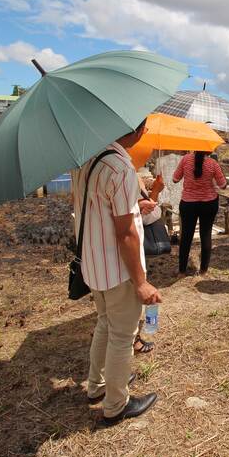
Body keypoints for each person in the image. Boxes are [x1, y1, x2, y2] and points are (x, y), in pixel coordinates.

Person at [71, 118, 161, 426]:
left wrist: (136, 204)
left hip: (94, 263)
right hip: (118, 268)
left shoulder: (86, 157)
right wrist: (142, 282)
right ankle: (116, 404)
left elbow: (98, 205)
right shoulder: (122, 168)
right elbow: (125, 233)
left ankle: (97, 385)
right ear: (137, 132)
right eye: (144, 128)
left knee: (105, 325)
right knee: (123, 336)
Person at [172, 150, 227, 278]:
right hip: (209, 203)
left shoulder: (185, 159)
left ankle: (181, 271)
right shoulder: (213, 163)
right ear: (209, 149)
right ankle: (203, 271)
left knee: (186, 237)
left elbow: (175, 179)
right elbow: (223, 185)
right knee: (206, 235)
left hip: (188, 203)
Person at [133, 173, 164, 355]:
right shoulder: (126, 172)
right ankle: (135, 338)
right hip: (132, 247)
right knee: (142, 293)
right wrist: (156, 193)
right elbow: (148, 215)